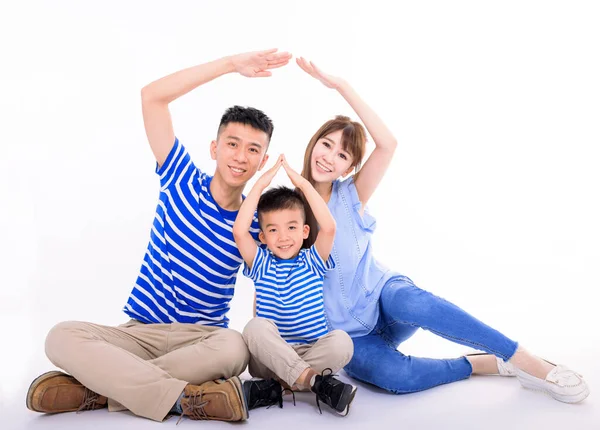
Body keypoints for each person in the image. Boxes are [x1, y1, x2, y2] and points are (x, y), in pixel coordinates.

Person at [294, 56, 590, 404]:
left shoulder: (351, 195)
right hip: (349, 338)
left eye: (343, 155)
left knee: (415, 304)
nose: (330, 157)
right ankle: (480, 365)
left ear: (350, 166)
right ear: (314, 143)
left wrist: (341, 86)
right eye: (326, 145)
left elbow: (387, 144)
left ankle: (525, 360)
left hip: (385, 301)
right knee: (393, 378)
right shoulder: (287, 208)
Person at [25, 49, 293, 423]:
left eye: (253, 150)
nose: (240, 156)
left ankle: (99, 391)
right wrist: (230, 65)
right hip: (138, 334)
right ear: (215, 148)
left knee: (235, 348)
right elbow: (152, 96)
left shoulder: (254, 223)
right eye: (232, 144)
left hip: (201, 341)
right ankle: (182, 396)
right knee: (60, 336)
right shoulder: (180, 177)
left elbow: (274, 279)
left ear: (263, 162)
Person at [233, 154, 357, 416]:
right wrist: (261, 183)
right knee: (254, 327)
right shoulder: (262, 262)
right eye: (274, 230)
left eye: (291, 227)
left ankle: (275, 388)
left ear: (304, 231)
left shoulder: (312, 260)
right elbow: (240, 231)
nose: (284, 237)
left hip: (313, 350)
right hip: (270, 356)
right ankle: (315, 382)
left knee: (343, 342)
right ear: (263, 237)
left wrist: (302, 183)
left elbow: (329, 227)